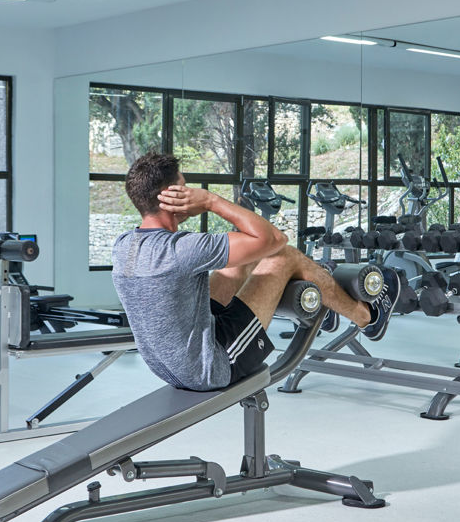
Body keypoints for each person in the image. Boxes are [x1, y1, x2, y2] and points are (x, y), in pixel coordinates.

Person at [112, 152, 401, 392]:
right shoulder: (181, 249)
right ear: (171, 196)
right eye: (185, 187)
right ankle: (367, 317)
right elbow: (276, 239)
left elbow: (251, 246)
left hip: (172, 367)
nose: (191, 193)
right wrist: (211, 201)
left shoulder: (124, 245)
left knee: (243, 259)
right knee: (284, 256)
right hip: (211, 367)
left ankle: (326, 295)